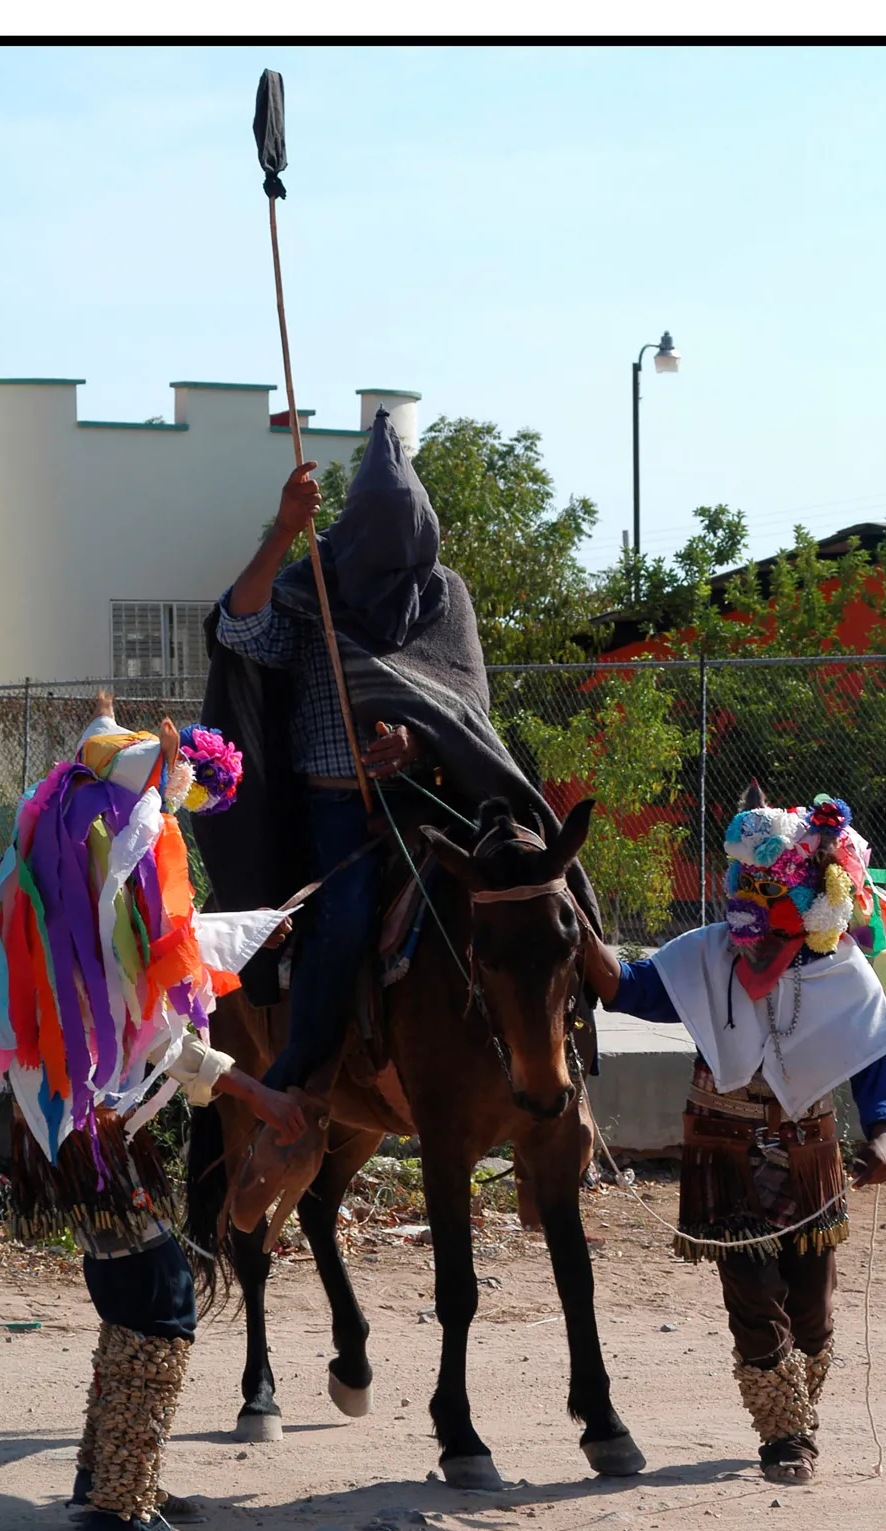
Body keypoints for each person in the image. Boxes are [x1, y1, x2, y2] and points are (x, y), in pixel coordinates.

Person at [0, 696, 310, 1531]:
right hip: (93, 1128)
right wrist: (257, 1091)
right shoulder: (101, 884)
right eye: (165, 803)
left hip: (70, 1127)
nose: (164, 824)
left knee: (128, 1293)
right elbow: (154, 1014)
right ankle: (119, 1510)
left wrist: (251, 936)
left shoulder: (58, 875)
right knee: (161, 1299)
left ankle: (111, 1475)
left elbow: (154, 960)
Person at [205, 408, 602, 1105]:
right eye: (381, 555)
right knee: (350, 916)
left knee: (541, 897)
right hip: (333, 806)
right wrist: (284, 532)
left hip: (434, 796)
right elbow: (240, 627)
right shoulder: (309, 589)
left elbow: (462, 705)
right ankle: (299, 1073)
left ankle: (573, 1050)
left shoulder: (444, 596)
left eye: (407, 554)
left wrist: (419, 739)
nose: (395, 571)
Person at [584, 786, 886, 1486]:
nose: (759, 900)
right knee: (754, 1298)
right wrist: (577, 926)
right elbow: (630, 987)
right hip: (722, 1155)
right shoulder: (708, 955)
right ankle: (785, 1438)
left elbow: (876, 1054)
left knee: (814, 1312)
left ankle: (793, 1404)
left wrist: (882, 1135)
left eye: (775, 885)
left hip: (812, 1156)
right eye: (752, 884)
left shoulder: (843, 971)